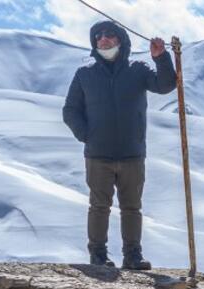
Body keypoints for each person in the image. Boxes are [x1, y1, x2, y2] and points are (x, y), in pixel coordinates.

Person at [63, 22, 177, 270]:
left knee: (132, 208)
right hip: (98, 154)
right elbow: (70, 110)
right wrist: (88, 136)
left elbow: (166, 85)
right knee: (99, 206)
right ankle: (98, 255)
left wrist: (162, 58)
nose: (103, 39)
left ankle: (132, 256)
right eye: (98, 36)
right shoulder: (85, 74)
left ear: (121, 40)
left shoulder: (137, 70)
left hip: (132, 154)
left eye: (109, 35)